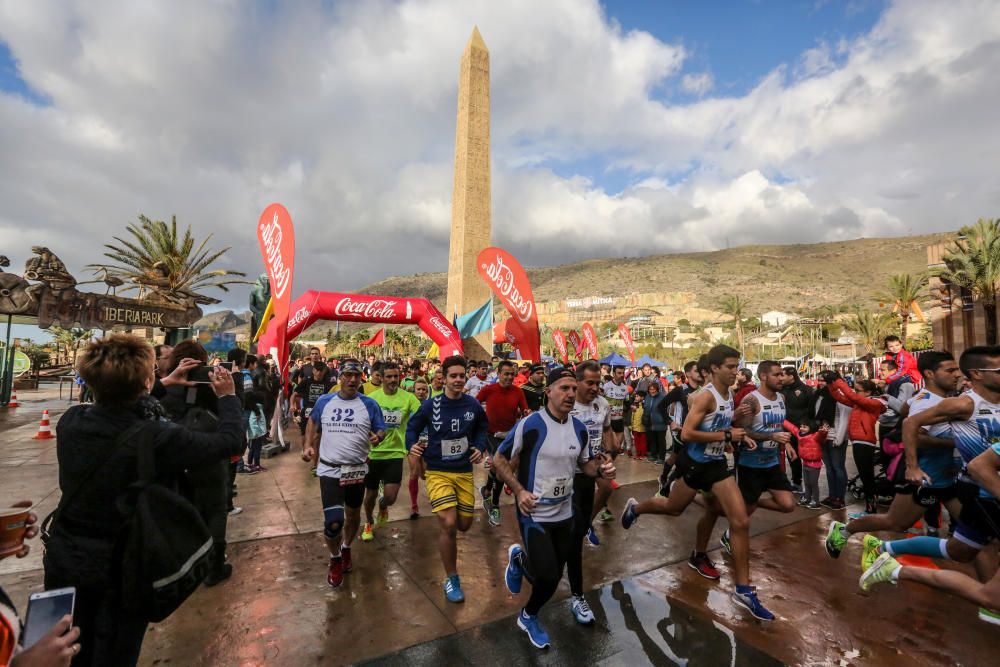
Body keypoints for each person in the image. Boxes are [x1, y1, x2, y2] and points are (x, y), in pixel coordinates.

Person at [44, 334, 244, 666]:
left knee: (67, 649)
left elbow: (119, 399)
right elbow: (229, 442)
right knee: (113, 652)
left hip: (65, 557)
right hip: (121, 566)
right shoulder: (156, 436)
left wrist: (163, 381)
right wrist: (228, 397)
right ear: (146, 379)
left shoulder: (71, 422)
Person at [622, 345, 775, 621]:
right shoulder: (705, 396)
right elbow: (689, 433)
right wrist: (726, 436)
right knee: (672, 507)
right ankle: (636, 509)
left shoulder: (728, 395)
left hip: (715, 466)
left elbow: (720, 423)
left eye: (737, 366)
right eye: (730, 366)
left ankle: (743, 588)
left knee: (739, 520)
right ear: (714, 368)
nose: (735, 372)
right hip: (694, 465)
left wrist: (737, 423)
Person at [859, 346, 1000, 624]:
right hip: (979, 490)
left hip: (967, 483)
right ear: (978, 374)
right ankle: (991, 602)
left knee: (958, 550)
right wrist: (913, 466)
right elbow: (911, 424)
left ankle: (888, 557)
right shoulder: (963, 404)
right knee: (899, 521)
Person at [495, 367, 616, 649]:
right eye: (564, 388)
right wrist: (520, 490)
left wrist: (601, 470)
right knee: (548, 577)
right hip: (534, 513)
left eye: (574, 389)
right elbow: (499, 459)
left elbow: (584, 466)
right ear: (548, 391)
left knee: (551, 574)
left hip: (564, 513)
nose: (571, 394)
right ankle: (528, 616)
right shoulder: (531, 424)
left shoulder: (579, 428)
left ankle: (519, 562)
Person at [824, 352, 965, 558]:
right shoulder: (928, 402)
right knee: (895, 522)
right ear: (929, 373)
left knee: (975, 532)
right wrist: (955, 443)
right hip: (925, 476)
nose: (957, 375)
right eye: (950, 370)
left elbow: (906, 409)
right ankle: (846, 531)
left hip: (946, 476)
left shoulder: (927, 397)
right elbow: (914, 434)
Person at [405, 355, 488, 603]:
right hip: (438, 471)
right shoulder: (432, 405)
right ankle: (451, 578)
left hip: (463, 472)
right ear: (443, 377)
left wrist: (479, 447)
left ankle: (451, 560)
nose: (458, 380)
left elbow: (482, 429)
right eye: (453, 376)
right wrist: (412, 446)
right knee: (449, 524)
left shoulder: (472, 405)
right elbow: (412, 427)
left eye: (462, 375)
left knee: (464, 525)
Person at [158, 340, 241, 586]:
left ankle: (183, 561)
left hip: (174, 452)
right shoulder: (214, 377)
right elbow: (233, 414)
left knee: (180, 504)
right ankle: (214, 567)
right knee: (215, 508)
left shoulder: (168, 381)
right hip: (209, 450)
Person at [701, 361, 797, 572]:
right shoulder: (751, 400)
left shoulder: (781, 398)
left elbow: (778, 425)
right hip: (750, 464)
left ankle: (749, 501)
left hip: (771, 463)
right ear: (763, 376)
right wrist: (771, 436)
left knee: (788, 504)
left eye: (782, 374)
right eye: (777, 374)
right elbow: (743, 431)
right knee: (742, 514)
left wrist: (787, 442)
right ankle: (727, 532)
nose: (781, 378)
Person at [301, 359, 386, 588]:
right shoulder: (325, 401)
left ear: (362, 378)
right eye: (347, 375)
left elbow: (381, 428)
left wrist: (378, 437)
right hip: (329, 469)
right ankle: (335, 558)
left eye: (356, 376)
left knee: (353, 515)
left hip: (357, 470)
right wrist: (308, 445)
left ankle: (346, 548)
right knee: (334, 522)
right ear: (340, 377)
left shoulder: (369, 404)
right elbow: (312, 422)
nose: (352, 380)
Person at [361, 362, 422, 541]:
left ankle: (384, 505)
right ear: (381, 377)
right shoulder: (372, 398)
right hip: (373, 454)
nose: (393, 380)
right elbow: (363, 422)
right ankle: (369, 522)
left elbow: (421, 416)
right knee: (369, 495)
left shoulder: (408, 398)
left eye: (396, 376)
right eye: (389, 376)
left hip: (395, 453)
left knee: (390, 497)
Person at [569, 361, 615, 555]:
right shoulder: (567, 404)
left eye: (598, 383)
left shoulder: (603, 404)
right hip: (571, 468)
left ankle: (587, 524)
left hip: (594, 463)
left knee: (606, 488)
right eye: (590, 383)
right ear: (577, 381)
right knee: (571, 515)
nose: (595, 388)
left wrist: (610, 452)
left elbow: (606, 428)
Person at [478, 360, 529, 527]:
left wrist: (527, 414)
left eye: (512, 374)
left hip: (508, 436)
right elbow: (474, 405)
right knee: (501, 467)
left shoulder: (518, 392)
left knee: (497, 468)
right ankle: (494, 505)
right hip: (490, 435)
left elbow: (525, 409)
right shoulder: (488, 389)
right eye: (505, 374)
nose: (509, 377)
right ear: (498, 374)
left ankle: (486, 489)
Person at [828, 376, 887, 515]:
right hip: (858, 441)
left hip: (865, 442)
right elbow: (839, 397)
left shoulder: (875, 403)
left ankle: (871, 509)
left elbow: (850, 396)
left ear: (868, 392)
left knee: (867, 477)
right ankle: (870, 508)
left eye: (858, 390)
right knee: (865, 476)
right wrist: (831, 384)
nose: (855, 392)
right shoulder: (860, 402)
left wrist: (838, 381)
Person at [780, 366, 813, 492]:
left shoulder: (806, 390)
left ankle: (810, 488)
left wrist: (809, 427)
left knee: (807, 458)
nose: (780, 378)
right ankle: (797, 482)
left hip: (803, 431)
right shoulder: (780, 390)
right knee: (792, 456)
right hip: (787, 429)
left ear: (791, 376)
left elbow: (812, 411)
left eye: (782, 375)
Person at [291, 363, 335, 439]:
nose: (319, 373)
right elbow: (294, 395)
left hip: (322, 412)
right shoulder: (306, 382)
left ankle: (316, 450)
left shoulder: (329, 384)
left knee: (319, 435)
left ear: (324, 371)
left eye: (321, 371)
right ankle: (304, 449)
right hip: (307, 411)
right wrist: (292, 405)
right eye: (317, 370)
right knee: (304, 433)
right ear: (313, 371)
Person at [407, 378, 431, 519]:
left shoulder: (431, 405)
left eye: (424, 390)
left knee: (425, 475)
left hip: (428, 443)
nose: (421, 392)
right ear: (414, 390)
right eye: (419, 389)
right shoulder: (409, 405)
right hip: (414, 444)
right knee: (414, 473)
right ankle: (414, 506)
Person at [789, 421, 826, 508]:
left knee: (813, 484)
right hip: (805, 463)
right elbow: (792, 427)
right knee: (806, 483)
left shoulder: (815, 436)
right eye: (801, 426)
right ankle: (807, 498)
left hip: (814, 465)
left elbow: (821, 436)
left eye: (804, 426)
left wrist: (823, 432)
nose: (801, 428)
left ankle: (816, 502)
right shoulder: (800, 435)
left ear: (811, 428)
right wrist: (782, 420)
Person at [603, 366, 630, 453]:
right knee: (609, 448)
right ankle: (607, 463)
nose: (622, 375)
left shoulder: (625, 388)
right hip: (608, 421)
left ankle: (609, 462)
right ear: (613, 374)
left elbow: (627, 403)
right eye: (619, 373)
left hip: (619, 420)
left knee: (617, 448)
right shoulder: (606, 386)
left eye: (623, 373)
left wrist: (631, 406)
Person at [643, 380, 669, 465]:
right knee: (652, 440)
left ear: (657, 389)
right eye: (650, 389)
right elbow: (645, 408)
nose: (652, 391)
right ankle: (653, 456)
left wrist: (664, 420)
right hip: (650, 423)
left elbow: (666, 410)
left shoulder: (662, 397)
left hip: (660, 423)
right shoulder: (647, 397)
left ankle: (661, 458)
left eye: (654, 389)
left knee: (661, 442)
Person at [630, 390, 648, 460]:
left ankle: (643, 454)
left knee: (643, 442)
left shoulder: (645, 405)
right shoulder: (634, 405)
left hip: (643, 427)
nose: (636, 397)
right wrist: (631, 425)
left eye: (637, 396)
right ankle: (638, 454)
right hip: (635, 427)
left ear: (642, 397)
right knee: (636, 442)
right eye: (635, 396)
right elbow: (632, 416)